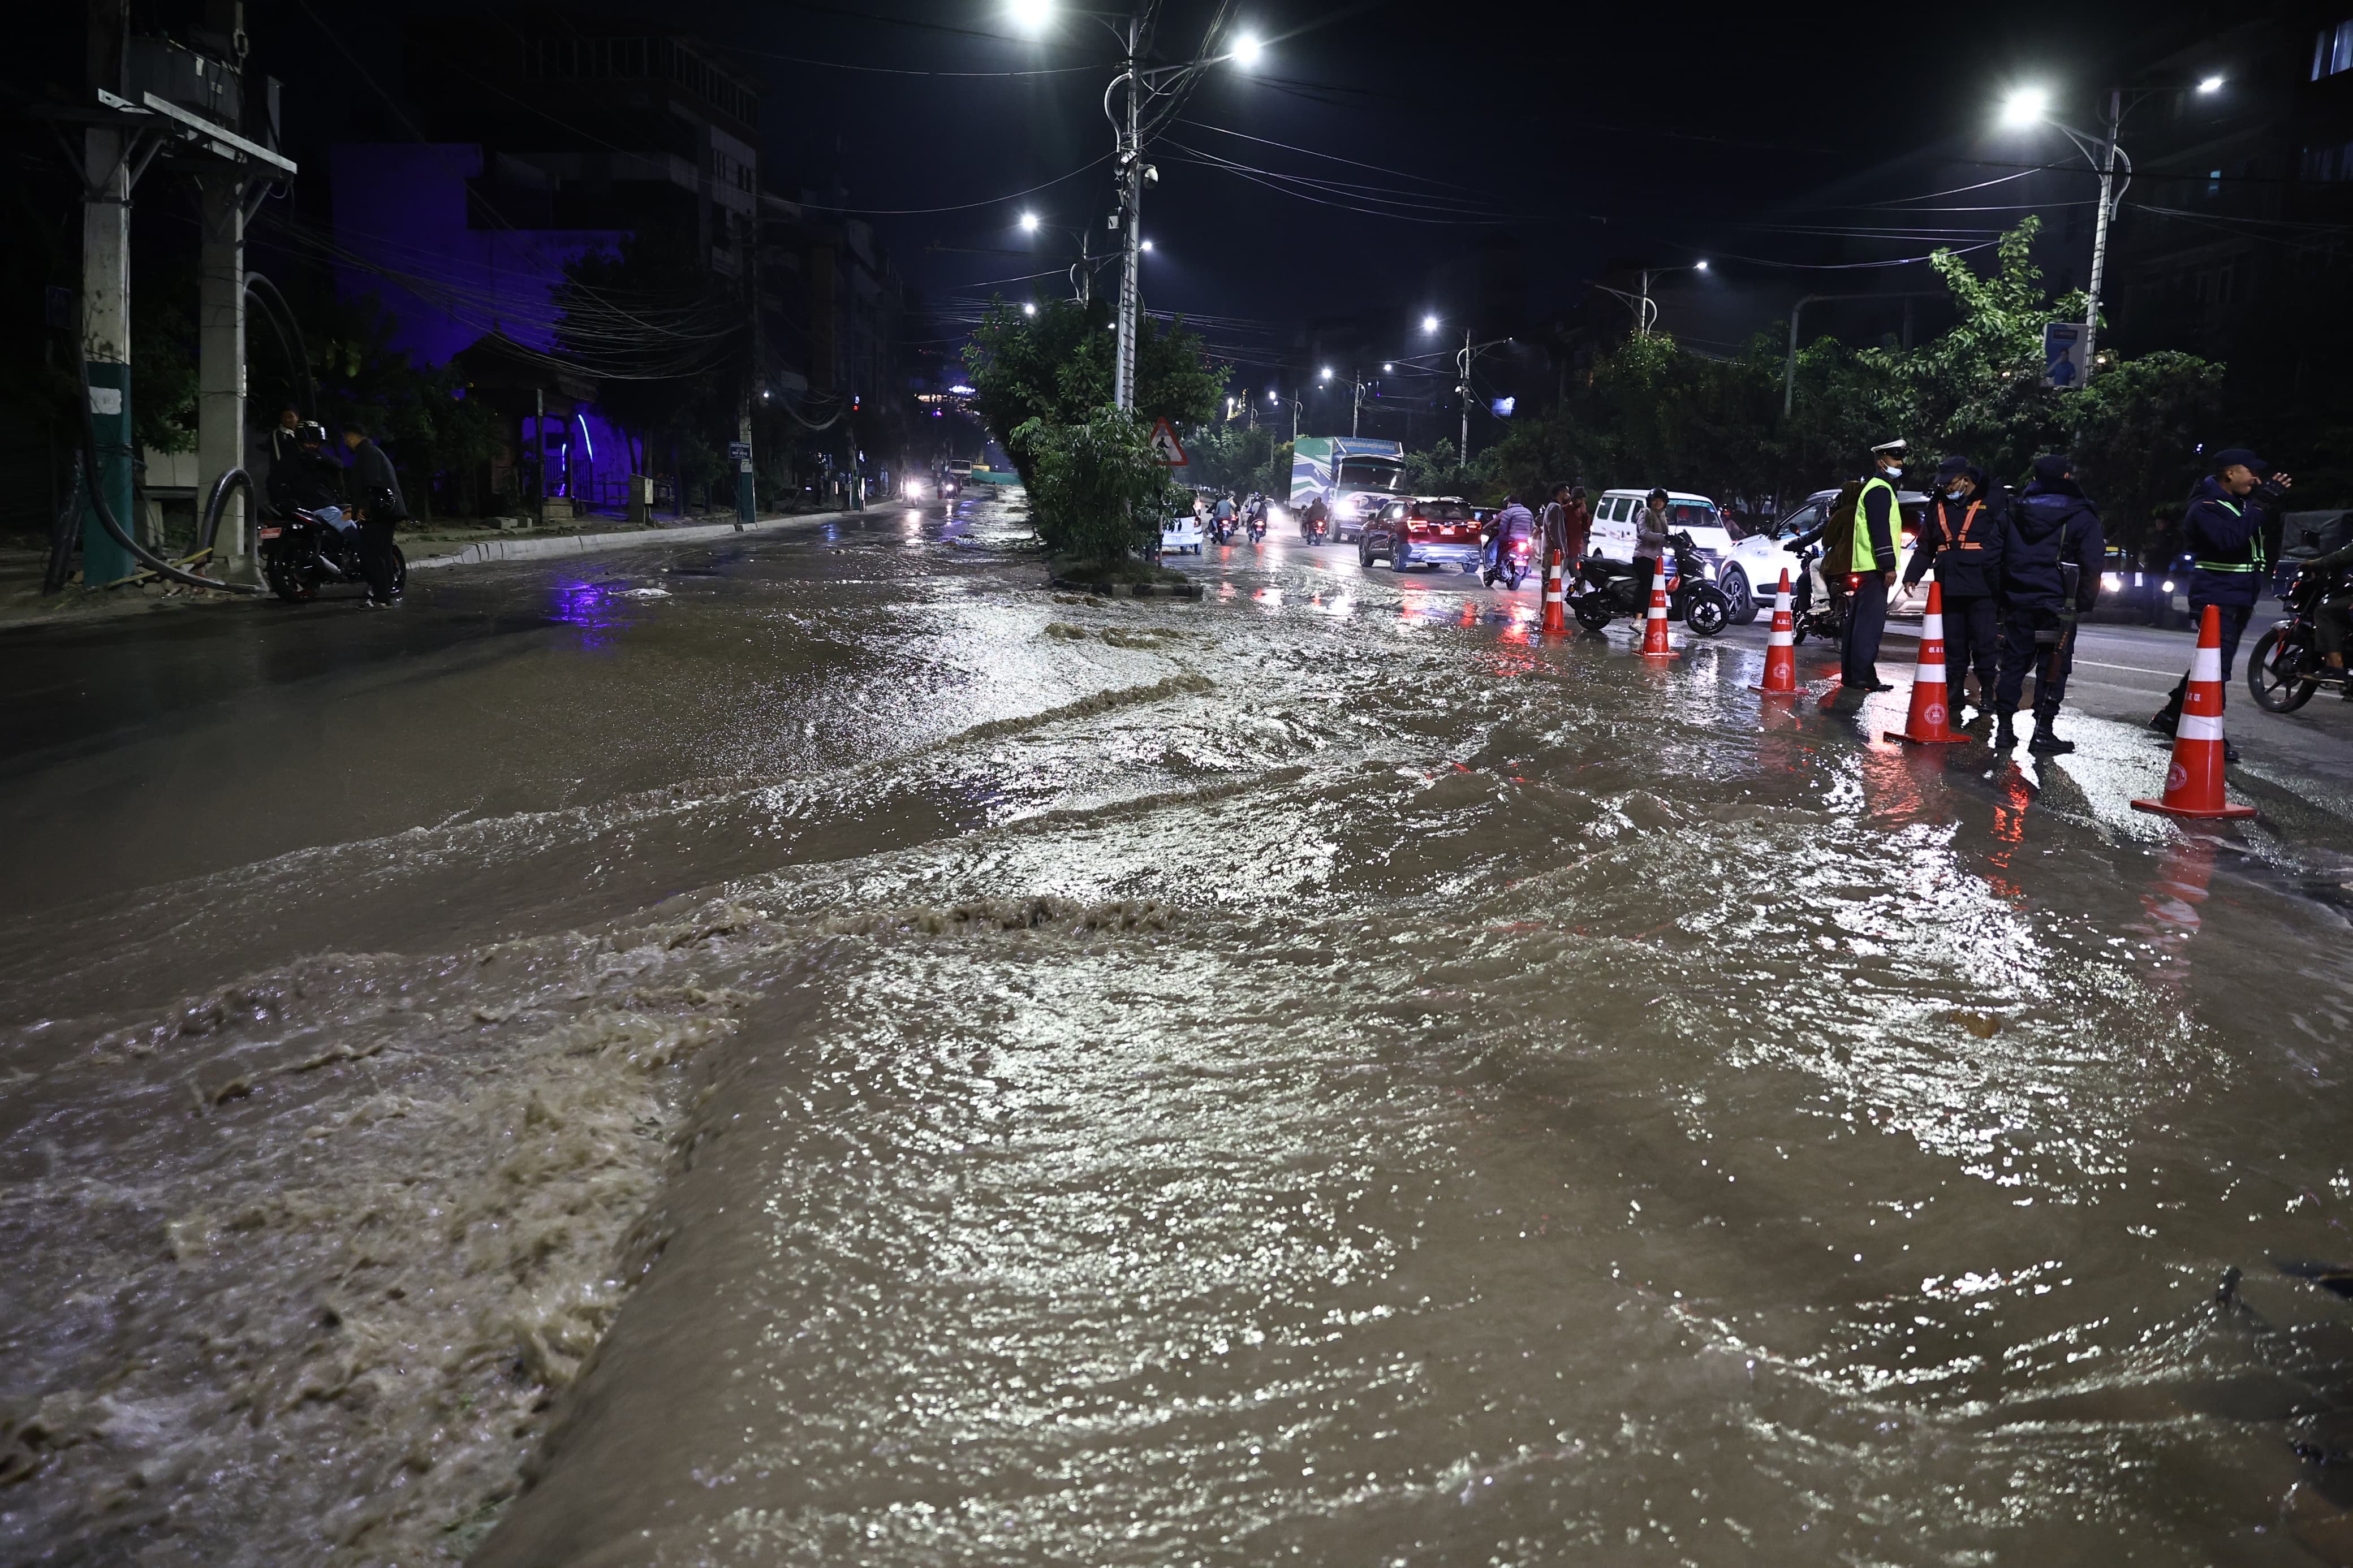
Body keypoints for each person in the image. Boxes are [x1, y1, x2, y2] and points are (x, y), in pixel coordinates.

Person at [2149, 448, 2295, 756]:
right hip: (2216, 599)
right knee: (2218, 669)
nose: (2257, 479)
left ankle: (2172, 715)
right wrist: (2259, 505)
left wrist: (2259, 506)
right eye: (2251, 472)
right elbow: (2229, 541)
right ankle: (2210, 733)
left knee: (2211, 664)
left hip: (2237, 598)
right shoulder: (2206, 507)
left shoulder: (2238, 505)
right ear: (2230, 473)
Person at [1992, 453, 2104, 754]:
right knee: (2054, 666)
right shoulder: (2082, 514)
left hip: (2019, 602)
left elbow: (1993, 558)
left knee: (2013, 664)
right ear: (2067, 478)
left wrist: (2002, 598)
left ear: (2035, 480)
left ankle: (2004, 730)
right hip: (2059, 606)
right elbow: (2093, 565)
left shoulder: (2013, 510)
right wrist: (2083, 603)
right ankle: (2042, 732)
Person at [1903, 455, 2006, 722]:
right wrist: (1912, 575)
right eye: (1943, 484)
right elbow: (1926, 546)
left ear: (1966, 479)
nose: (1946, 488)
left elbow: (2004, 542)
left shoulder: (1993, 500)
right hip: (1949, 585)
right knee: (1953, 643)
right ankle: (1955, 690)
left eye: (1950, 483)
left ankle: (1987, 692)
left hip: (1982, 586)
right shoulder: (1938, 504)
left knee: (1984, 642)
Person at [1841, 439, 1907, 692]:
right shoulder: (1880, 489)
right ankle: (1862, 676)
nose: (1900, 463)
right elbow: (1880, 530)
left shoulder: (1877, 487)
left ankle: (1855, 675)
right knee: (1869, 626)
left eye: (1901, 458)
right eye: (1895, 458)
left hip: (1867, 567)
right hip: (1876, 568)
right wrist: (1888, 565)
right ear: (1881, 462)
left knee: (1859, 624)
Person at [340, 422, 407, 605]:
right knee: (383, 554)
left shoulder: (366, 454)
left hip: (378, 512)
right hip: (387, 511)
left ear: (351, 437)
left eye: (346, 439)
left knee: (372, 555)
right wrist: (355, 508)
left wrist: (364, 509)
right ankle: (384, 597)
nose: (346, 443)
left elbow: (372, 484)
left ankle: (380, 598)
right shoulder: (374, 452)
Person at [266, 422, 351, 530]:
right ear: (300, 441)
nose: (313, 446)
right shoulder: (290, 460)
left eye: (316, 443)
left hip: (319, 507)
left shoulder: (319, 457)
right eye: (309, 442)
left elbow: (338, 465)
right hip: (318, 508)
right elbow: (274, 483)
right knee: (353, 533)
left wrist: (320, 459)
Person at [1540, 483, 1589, 573]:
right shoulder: (1561, 509)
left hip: (1575, 552)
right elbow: (1555, 532)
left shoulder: (1581, 512)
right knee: (1554, 577)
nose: (1582, 503)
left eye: (1584, 500)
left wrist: (1585, 513)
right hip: (1563, 552)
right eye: (1580, 500)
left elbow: (1586, 528)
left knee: (1578, 579)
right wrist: (1561, 549)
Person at [1634, 487, 1672, 597]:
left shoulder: (1662, 517)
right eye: (1655, 500)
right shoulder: (1645, 513)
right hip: (1643, 557)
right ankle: (1639, 609)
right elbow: (1644, 533)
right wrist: (1663, 537)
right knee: (1647, 588)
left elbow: (1665, 539)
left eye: (1661, 500)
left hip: (1655, 559)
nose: (1658, 503)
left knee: (1653, 589)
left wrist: (1675, 542)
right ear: (1650, 501)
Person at [1485, 493, 1536, 573]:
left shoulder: (1508, 512)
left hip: (1512, 538)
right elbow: (1532, 527)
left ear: (1510, 503)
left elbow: (1504, 527)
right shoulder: (1528, 512)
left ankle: (1492, 561)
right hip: (1525, 539)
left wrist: (1504, 533)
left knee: (1496, 541)